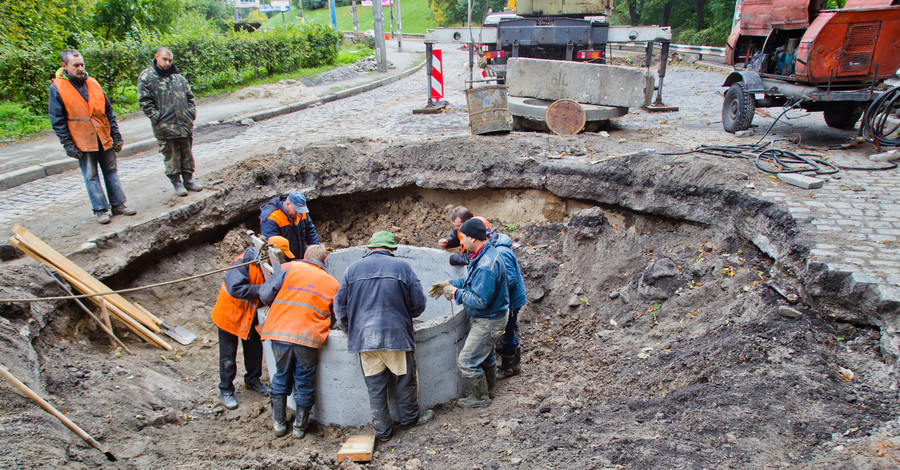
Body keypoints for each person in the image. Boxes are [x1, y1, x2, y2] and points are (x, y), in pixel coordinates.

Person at [334, 231, 434, 442]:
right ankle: (409, 421)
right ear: (392, 249)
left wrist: (349, 330)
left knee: (376, 388)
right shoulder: (403, 267)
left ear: (369, 248)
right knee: (405, 382)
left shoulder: (351, 270)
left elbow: (339, 305)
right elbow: (419, 304)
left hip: (364, 339)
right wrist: (405, 317)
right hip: (395, 337)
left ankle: (383, 432)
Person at [49, 49, 136, 225]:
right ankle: (100, 210)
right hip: (82, 140)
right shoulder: (57, 87)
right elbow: (57, 120)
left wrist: (116, 135)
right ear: (64, 66)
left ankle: (119, 204)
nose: (81, 68)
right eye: (76, 65)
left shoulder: (93, 83)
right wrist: (68, 144)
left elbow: (108, 111)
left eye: (82, 64)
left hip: (102, 136)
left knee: (111, 172)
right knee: (91, 175)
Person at [259, 244, 338, 439]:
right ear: (324, 261)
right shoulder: (332, 283)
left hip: (280, 332)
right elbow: (336, 318)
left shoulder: (288, 268)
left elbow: (265, 295)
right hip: (308, 337)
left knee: (281, 375)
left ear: (304, 256)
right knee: (304, 380)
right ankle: (300, 428)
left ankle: (279, 424)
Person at [429, 218, 509, 408]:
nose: (461, 242)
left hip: (489, 320)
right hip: (492, 317)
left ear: (473, 238)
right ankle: (488, 390)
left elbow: (479, 301)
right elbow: (472, 281)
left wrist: (455, 293)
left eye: (462, 237)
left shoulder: (486, 266)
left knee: (467, 361)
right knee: (487, 355)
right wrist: (450, 283)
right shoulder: (484, 253)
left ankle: (480, 398)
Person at [211, 238, 288, 409]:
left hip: (250, 317)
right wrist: (263, 290)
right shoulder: (244, 263)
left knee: (254, 352)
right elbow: (235, 288)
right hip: (230, 316)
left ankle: (253, 380)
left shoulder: (269, 266)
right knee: (228, 357)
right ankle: (226, 389)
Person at [138, 46, 200, 197]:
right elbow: (144, 101)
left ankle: (188, 180)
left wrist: (190, 113)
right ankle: (176, 182)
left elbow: (190, 97)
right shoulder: (147, 77)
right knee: (171, 155)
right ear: (156, 57)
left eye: (170, 60)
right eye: (164, 59)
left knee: (186, 153)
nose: (167, 63)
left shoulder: (178, 77)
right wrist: (156, 117)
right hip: (165, 126)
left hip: (183, 124)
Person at [260, 191, 320, 261]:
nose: (298, 214)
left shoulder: (300, 213)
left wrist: (317, 253)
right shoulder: (271, 217)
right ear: (288, 204)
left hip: (300, 257)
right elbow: (272, 246)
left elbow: (310, 232)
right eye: (296, 210)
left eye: (300, 210)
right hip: (284, 261)